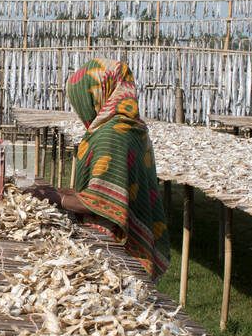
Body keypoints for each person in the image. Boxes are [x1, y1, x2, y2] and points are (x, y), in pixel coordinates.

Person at [26, 59, 169, 278]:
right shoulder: (133, 126)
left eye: (80, 100)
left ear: (96, 94)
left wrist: (57, 199)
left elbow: (103, 201)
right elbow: (111, 185)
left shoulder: (111, 135)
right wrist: (61, 191)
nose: (80, 109)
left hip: (115, 248)